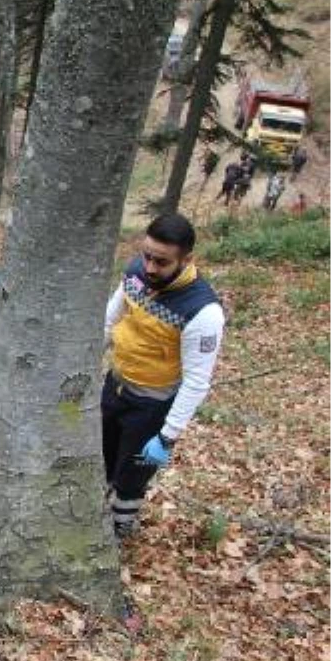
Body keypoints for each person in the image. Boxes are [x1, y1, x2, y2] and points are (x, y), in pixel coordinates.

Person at [102, 213, 224, 540]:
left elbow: (197, 382)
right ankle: (95, 515)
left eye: (162, 262)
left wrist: (167, 436)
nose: (151, 268)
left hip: (151, 406)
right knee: (101, 459)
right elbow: (110, 320)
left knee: (131, 476)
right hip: (114, 387)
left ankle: (120, 530)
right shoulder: (135, 274)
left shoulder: (202, 311)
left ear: (187, 260)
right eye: (147, 256)